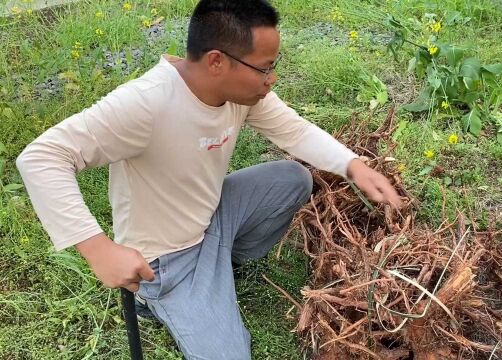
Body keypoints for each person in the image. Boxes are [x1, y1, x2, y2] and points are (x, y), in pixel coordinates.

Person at [16, 0, 401, 358]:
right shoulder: (146, 104)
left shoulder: (239, 94)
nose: (272, 78)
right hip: (166, 259)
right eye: (264, 68)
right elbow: (42, 158)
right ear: (217, 61)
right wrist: (99, 251)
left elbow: (295, 132)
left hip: (212, 216)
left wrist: (353, 165)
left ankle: (219, 264)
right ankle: (160, 298)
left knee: (292, 178)